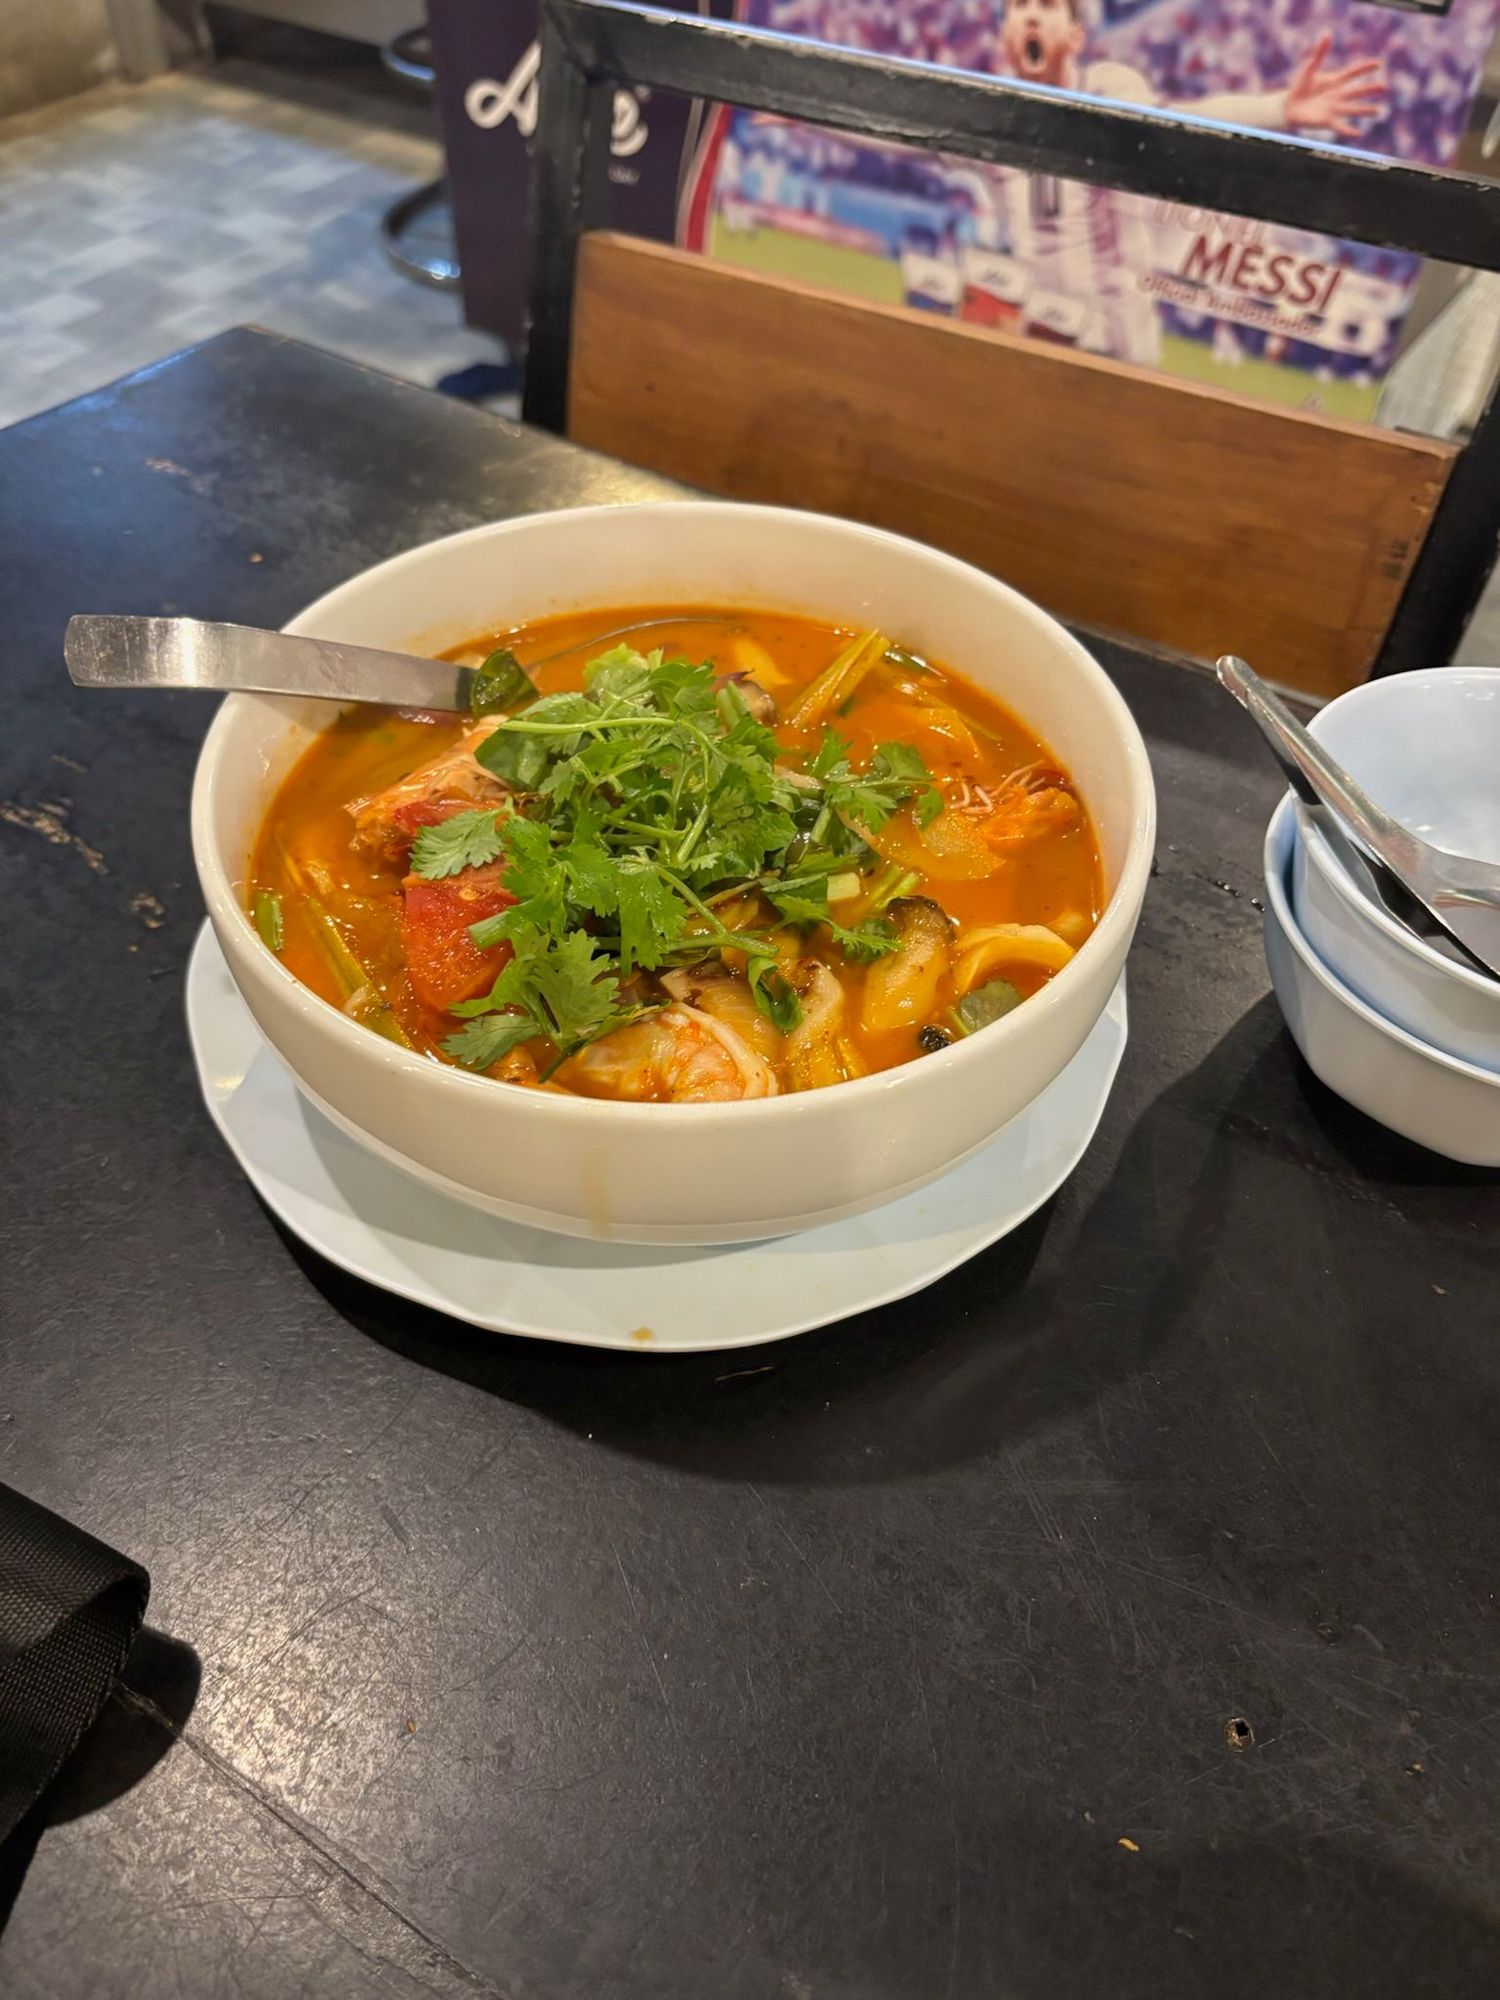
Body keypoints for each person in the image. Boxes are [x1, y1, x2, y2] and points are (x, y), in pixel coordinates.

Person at [991, 0, 1389, 365]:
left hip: (1111, 334)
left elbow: (1180, 122)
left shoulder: (1104, 89)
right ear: (1005, 33)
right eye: (1019, 6)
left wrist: (1278, 108)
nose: (1031, 16)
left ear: (1076, 36)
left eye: (1046, 5)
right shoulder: (989, 109)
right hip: (1034, 323)